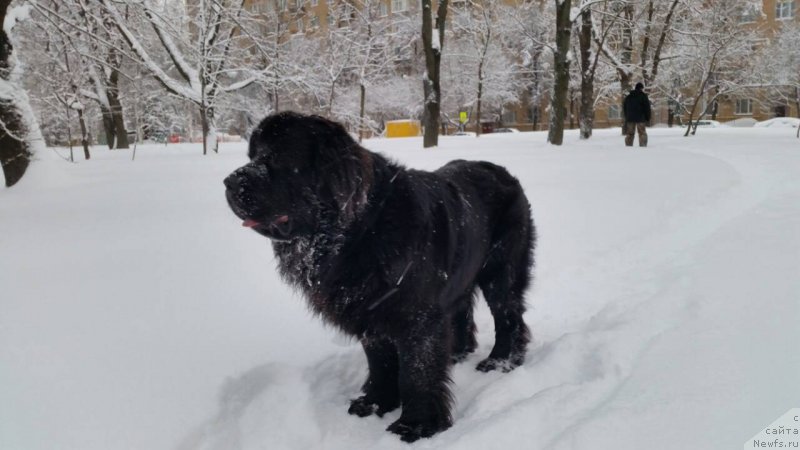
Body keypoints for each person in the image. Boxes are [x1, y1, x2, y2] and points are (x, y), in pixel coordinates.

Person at [623, 82, 651, 147]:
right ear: (641, 88)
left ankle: (628, 146)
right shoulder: (643, 96)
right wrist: (647, 117)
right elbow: (647, 108)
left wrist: (627, 116)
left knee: (630, 133)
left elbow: (625, 107)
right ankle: (643, 145)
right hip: (640, 118)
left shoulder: (628, 97)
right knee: (642, 133)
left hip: (630, 118)